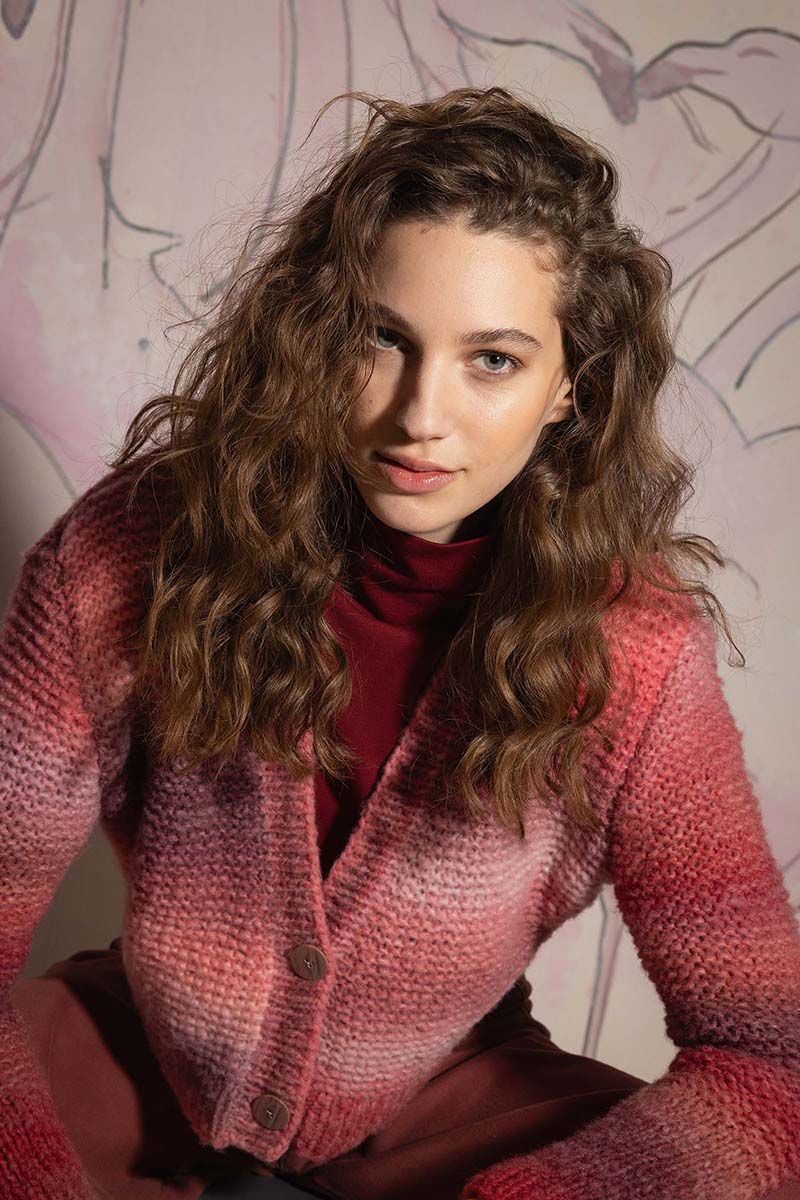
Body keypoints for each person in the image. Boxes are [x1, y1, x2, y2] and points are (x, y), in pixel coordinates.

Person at [2, 86, 799, 1200]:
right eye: (382, 338)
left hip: (444, 1088)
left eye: (493, 360)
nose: (421, 415)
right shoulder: (135, 548)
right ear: (315, 333)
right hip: (135, 1054)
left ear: (569, 389)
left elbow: (769, 1058)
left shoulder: (634, 654)